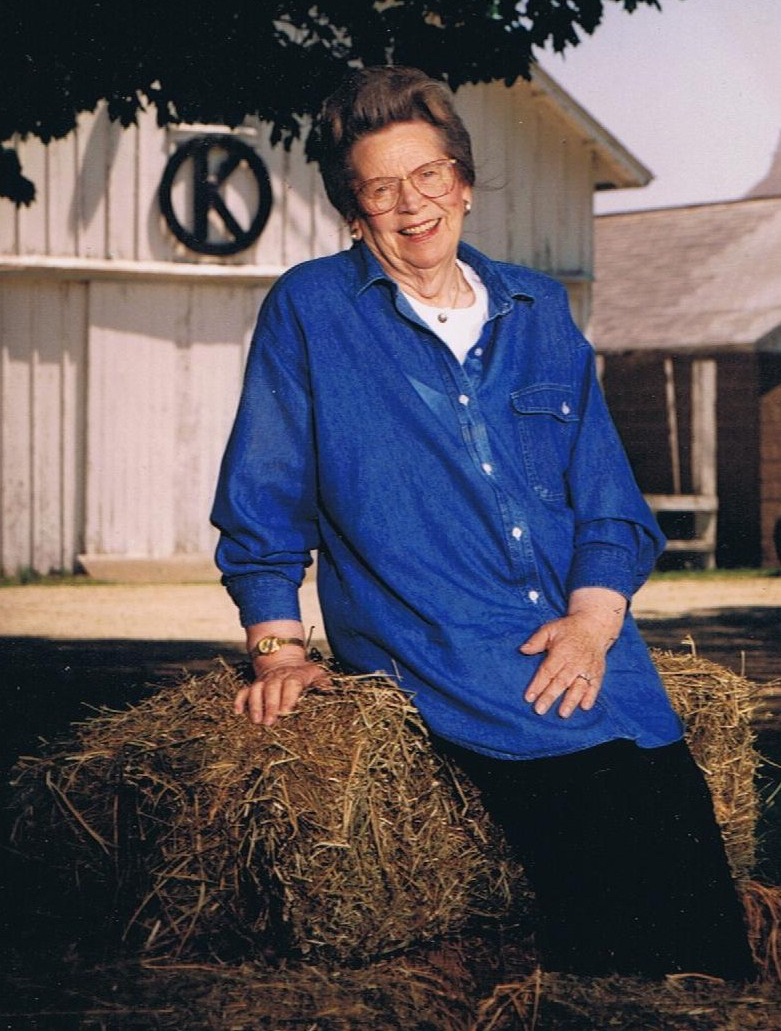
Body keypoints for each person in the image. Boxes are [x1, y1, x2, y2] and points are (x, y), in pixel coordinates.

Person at [211, 65, 754, 979]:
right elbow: (264, 493)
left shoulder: (541, 309)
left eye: (427, 176)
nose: (410, 205)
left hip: (596, 656)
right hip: (450, 650)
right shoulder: (309, 311)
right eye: (379, 189)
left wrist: (592, 620)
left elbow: (608, 502)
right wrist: (279, 649)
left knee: (698, 912)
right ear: (353, 213)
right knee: (611, 914)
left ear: (461, 182)